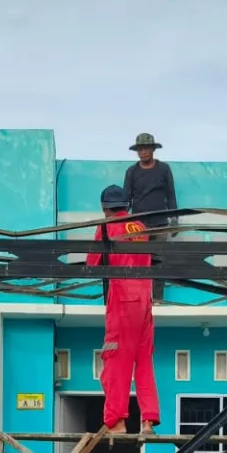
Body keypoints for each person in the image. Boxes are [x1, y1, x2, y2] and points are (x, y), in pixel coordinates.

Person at [88, 185, 159, 435]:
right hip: (144, 301)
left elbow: (92, 263)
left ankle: (116, 421)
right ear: (126, 206)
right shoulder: (139, 227)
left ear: (104, 208)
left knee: (115, 360)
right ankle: (148, 419)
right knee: (143, 362)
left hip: (122, 300)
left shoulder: (106, 227)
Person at [123, 133, 178, 227]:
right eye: (140, 149)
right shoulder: (131, 171)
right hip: (138, 225)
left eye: (147, 148)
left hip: (160, 224)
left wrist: (174, 218)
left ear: (153, 149)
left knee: (160, 242)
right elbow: (126, 198)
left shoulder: (164, 169)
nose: (143, 152)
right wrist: (121, 220)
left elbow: (170, 195)